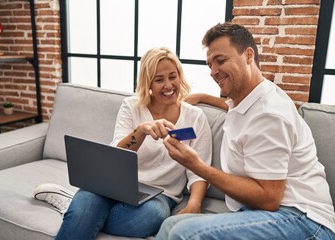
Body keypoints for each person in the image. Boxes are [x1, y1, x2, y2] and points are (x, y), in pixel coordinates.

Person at [156, 22, 335, 239]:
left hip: (305, 220)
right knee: (171, 225)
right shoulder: (248, 99)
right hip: (266, 214)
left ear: (248, 55)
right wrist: (203, 97)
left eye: (221, 60)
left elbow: (268, 198)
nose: (213, 72)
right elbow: (233, 106)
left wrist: (196, 165)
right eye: (209, 65)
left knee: (184, 233)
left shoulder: (268, 114)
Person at [35, 47, 212, 239]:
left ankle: (75, 208)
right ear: (148, 83)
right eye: (159, 79)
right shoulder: (131, 106)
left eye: (173, 76)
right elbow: (115, 155)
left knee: (151, 217)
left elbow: (199, 171)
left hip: (161, 194)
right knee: (85, 205)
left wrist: (194, 204)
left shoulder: (195, 117)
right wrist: (142, 130)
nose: (169, 85)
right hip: (114, 183)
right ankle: (80, 210)